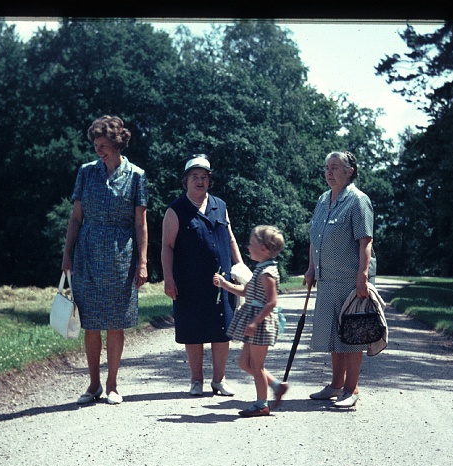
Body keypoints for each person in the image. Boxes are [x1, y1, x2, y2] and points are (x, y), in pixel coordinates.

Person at [61, 115, 148, 406]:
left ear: (117, 143)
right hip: (87, 253)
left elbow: (140, 224)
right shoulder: (86, 173)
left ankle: (112, 384)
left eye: (104, 145)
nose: (99, 150)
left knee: (115, 322)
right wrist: (67, 254)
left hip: (121, 255)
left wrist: (143, 261)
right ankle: (94, 383)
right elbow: (76, 217)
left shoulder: (136, 175)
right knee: (90, 322)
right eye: (96, 145)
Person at [161, 154, 243, 397]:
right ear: (186, 180)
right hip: (189, 282)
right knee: (193, 330)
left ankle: (220, 380)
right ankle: (196, 380)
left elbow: (229, 238)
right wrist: (169, 278)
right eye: (195, 177)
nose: (200, 181)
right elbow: (167, 246)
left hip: (222, 280)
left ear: (210, 181)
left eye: (204, 177)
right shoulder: (176, 210)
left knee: (222, 329)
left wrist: (239, 267)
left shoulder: (220, 205)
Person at [304, 151, 375, 408]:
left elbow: (365, 241)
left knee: (353, 332)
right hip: (327, 279)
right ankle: (335, 385)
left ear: (349, 171)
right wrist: (311, 269)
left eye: (335, 168)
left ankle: (351, 389)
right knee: (335, 334)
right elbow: (315, 238)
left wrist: (363, 277)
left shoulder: (358, 200)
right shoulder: (323, 200)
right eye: (326, 168)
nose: (329, 172)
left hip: (350, 279)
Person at [213, 225, 288, 417]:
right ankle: (276, 386)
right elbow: (246, 292)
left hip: (261, 324)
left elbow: (271, 302)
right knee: (244, 363)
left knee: (256, 365)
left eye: (252, 244)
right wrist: (224, 284)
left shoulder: (267, 273)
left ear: (263, 248)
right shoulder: (260, 269)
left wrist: (255, 322)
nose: (248, 247)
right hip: (255, 321)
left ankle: (262, 404)